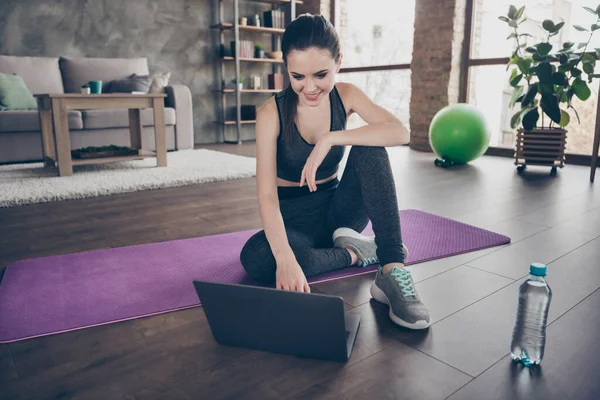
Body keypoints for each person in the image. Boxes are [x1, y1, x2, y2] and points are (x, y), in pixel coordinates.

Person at [239, 14, 431, 330]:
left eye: (320, 74)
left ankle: (391, 267)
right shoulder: (270, 113)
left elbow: (400, 132)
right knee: (257, 258)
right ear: (286, 68)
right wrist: (286, 259)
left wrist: (332, 137)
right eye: (297, 76)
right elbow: (266, 198)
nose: (309, 87)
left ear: (338, 62)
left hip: (341, 214)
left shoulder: (347, 95)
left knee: (371, 146)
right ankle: (356, 254)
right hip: (295, 225)